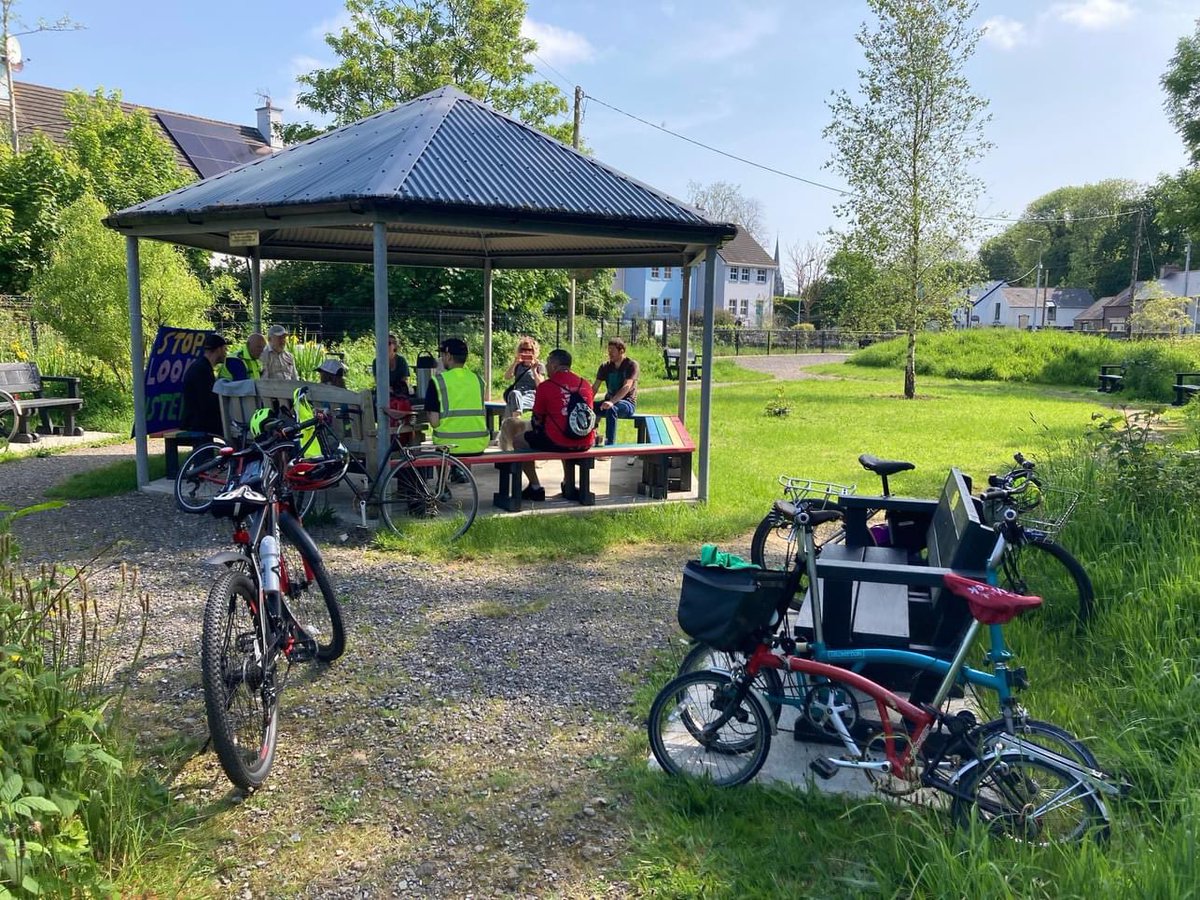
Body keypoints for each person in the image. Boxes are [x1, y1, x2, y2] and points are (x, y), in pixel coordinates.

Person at [500, 348, 594, 501]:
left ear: (554, 365)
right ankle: (568, 484)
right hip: (585, 440)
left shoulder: (546, 386)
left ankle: (535, 487)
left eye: (548, 363)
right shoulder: (585, 384)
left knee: (519, 441)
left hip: (558, 441)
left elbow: (537, 419)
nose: (547, 366)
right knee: (567, 435)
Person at [424, 337, 488, 455]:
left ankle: (445, 474)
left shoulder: (438, 381)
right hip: (477, 443)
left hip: (447, 444)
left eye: (442, 355)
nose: (441, 359)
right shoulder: (479, 380)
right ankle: (463, 473)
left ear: (448, 356)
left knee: (441, 458)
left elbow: (434, 422)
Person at [592, 337, 639, 448]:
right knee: (589, 408)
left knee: (611, 409)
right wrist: (586, 402)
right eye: (608, 350)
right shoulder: (605, 366)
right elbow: (595, 387)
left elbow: (627, 386)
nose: (609, 353)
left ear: (621, 351)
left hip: (627, 403)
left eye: (612, 351)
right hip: (609, 402)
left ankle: (610, 445)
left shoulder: (631, 365)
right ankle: (591, 438)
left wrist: (612, 402)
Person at [181, 332, 228, 437]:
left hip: (197, 418)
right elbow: (207, 402)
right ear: (219, 349)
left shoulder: (201, 366)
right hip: (197, 422)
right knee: (236, 427)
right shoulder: (202, 370)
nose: (226, 353)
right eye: (225, 349)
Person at [501, 336, 545, 419]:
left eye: (529, 350)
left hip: (531, 395)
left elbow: (541, 386)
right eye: (523, 350)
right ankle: (516, 422)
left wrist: (534, 371)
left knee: (511, 404)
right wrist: (515, 363)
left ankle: (512, 426)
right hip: (517, 394)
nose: (526, 352)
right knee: (515, 394)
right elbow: (507, 377)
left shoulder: (539, 366)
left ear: (534, 351)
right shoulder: (518, 365)